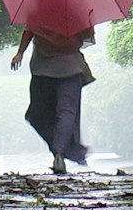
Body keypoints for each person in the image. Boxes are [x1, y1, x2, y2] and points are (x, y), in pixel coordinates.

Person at [9, 22, 95, 174]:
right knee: (66, 112)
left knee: (36, 116)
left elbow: (29, 29)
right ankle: (61, 152)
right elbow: (87, 36)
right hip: (70, 68)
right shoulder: (77, 10)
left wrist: (20, 52)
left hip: (43, 70)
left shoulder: (38, 8)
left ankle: (59, 152)